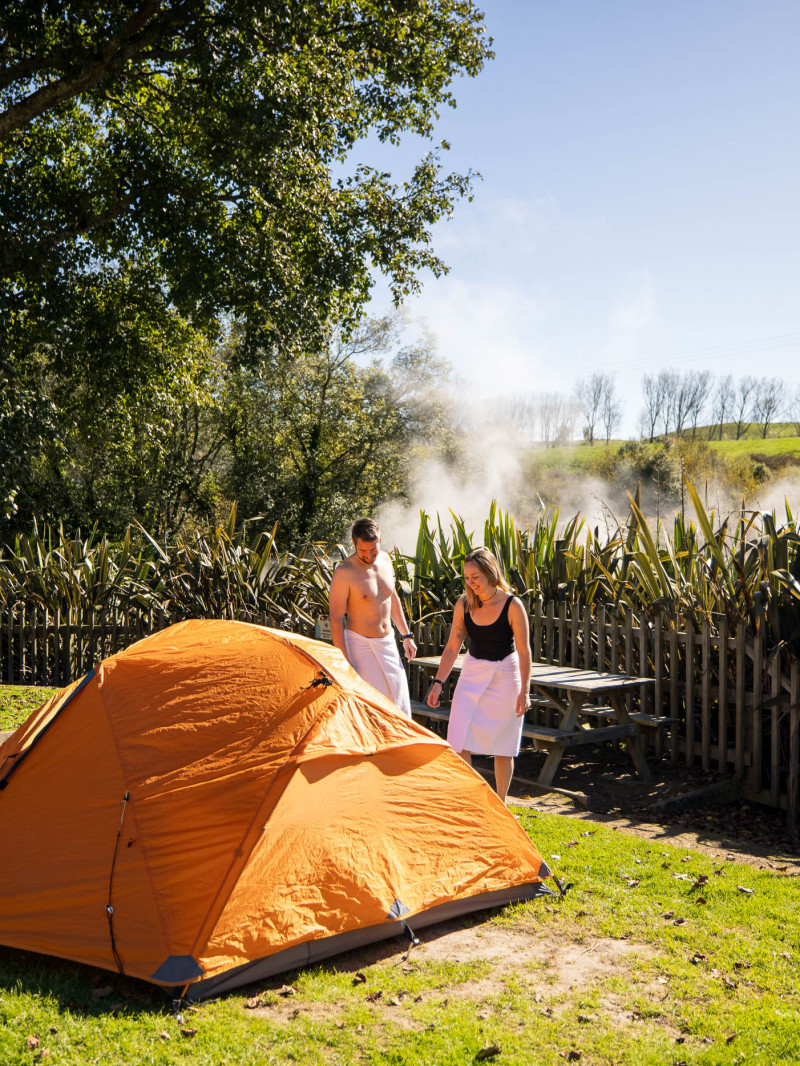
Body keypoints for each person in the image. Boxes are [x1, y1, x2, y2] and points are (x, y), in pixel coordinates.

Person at [426, 547, 531, 804]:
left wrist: (524, 691)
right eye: (467, 578)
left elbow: (524, 650)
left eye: (475, 577)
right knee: (459, 739)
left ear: (490, 574)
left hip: (506, 674)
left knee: (503, 746)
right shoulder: (463, 604)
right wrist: (438, 683)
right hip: (472, 671)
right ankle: (473, 801)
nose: (471, 583)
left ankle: (501, 802)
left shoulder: (512, 605)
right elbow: (453, 646)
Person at [329, 517, 417, 717]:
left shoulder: (385, 560)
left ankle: (399, 749)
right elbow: (335, 617)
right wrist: (344, 659)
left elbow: (391, 597)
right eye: (363, 551)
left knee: (400, 703)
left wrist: (406, 634)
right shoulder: (345, 571)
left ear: (380, 540)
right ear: (354, 543)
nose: (369, 555)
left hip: (388, 643)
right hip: (360, 645)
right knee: (371, 706)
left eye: (374, 549)